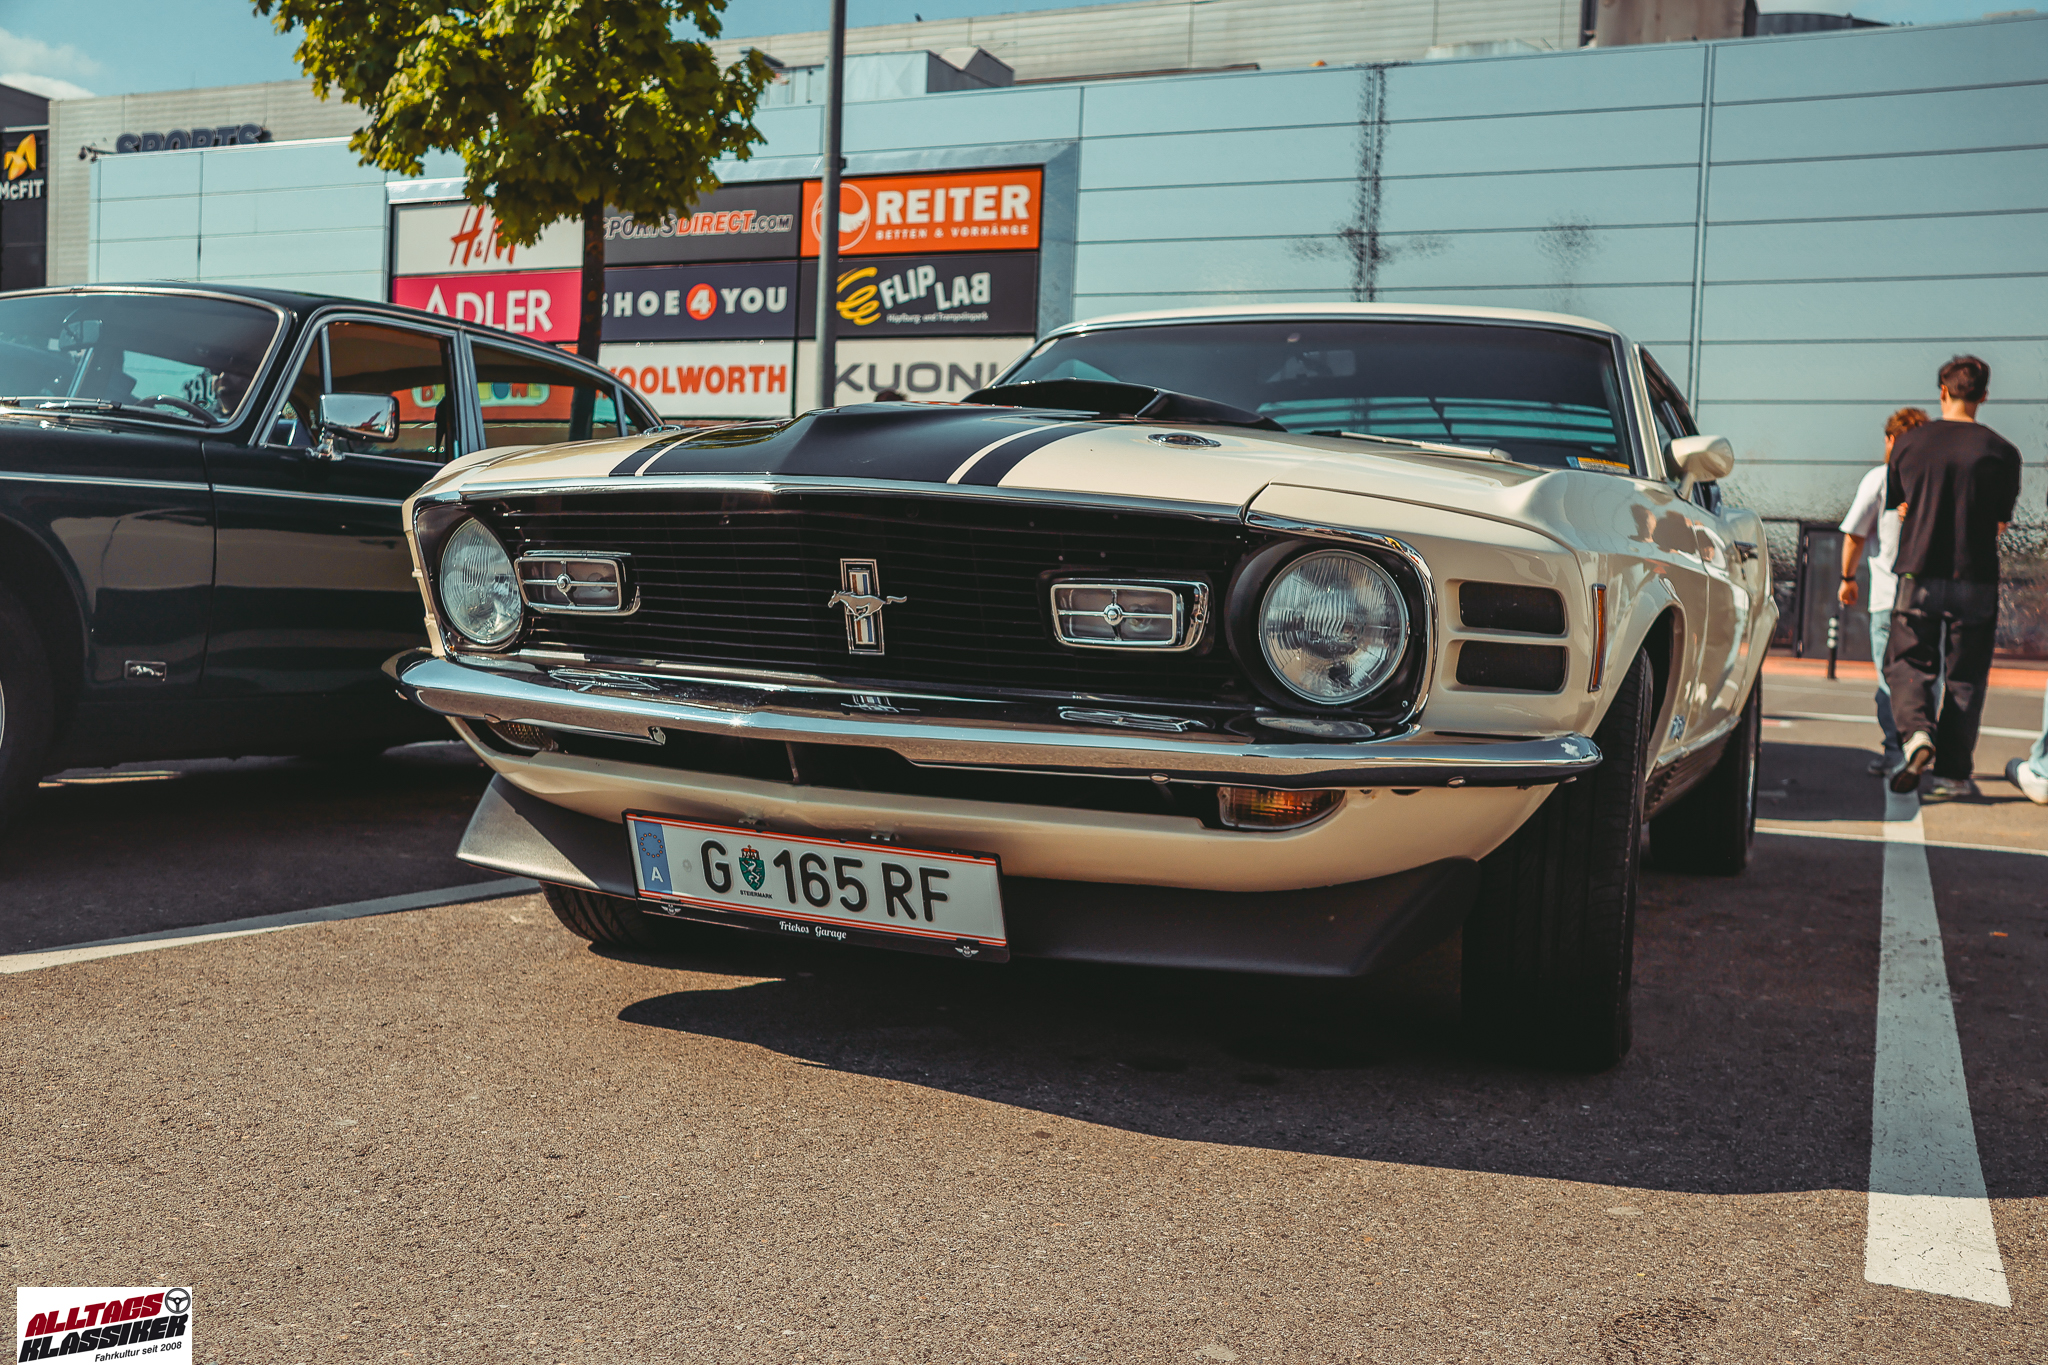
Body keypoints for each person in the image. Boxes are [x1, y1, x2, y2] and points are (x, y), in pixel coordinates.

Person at [1884, 355, 2022, 796]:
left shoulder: (1909, 444)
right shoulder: (2003, 452)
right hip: (1976, 575)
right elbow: (2000, 522)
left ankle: (1916, 734)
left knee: (1908, 660)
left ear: (1942, 391)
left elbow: (1900, 503)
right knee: (1966, 676)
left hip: (1919, 570)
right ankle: (1953, 773)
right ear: (1984, 396)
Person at [1840, 407, 1929, 775]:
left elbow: (1855, 534)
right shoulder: (1933, 481)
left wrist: (1847, 578)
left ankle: (1896, 753)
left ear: (1891, 439)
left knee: (1888, 680)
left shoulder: (1880, 478)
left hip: (1887, 599)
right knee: (1927, 677)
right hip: (1929, 598)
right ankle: (1923, 742)